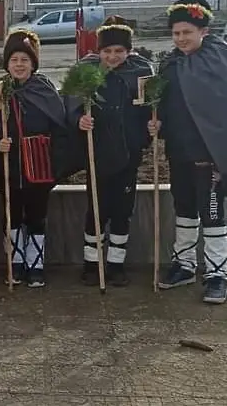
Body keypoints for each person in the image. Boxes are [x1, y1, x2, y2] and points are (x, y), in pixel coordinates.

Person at [153, 0, 227, 304]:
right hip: (179, 149)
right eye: (176, 33)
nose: (181, 38)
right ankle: (184, 264)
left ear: (203, 31)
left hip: (209, 153)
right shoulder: (172, 62)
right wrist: (157, 124)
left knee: (212, 212)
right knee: (183, 208)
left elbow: (224, 108)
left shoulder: (217, 58)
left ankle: (216, 273)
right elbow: (166, 103)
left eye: (187, 32)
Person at [0, 29, 74, 287]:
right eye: (14, 60)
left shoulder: (45, 90)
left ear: (33, 63)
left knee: (36, 217)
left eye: (25, 60)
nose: (19, 65)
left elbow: (60, 129)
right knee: (12, 216)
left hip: (39, 167)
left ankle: (36, 263)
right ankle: (16, 262)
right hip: (8, 167)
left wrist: (56, 165)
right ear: (7, 63)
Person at [65, 16, 153, 287]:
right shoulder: (86, 72)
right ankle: (92, 263)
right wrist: (79, 118)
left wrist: (153, 122)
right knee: (96, 209)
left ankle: (116, 263)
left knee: (122, 210)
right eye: (107, 51)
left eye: (119, 51)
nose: (113, 57)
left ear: (128, 51)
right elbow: (70, 103)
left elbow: (150, 106)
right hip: (97, 153)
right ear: (99, 51)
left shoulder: (140, 73)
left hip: (128, 153)